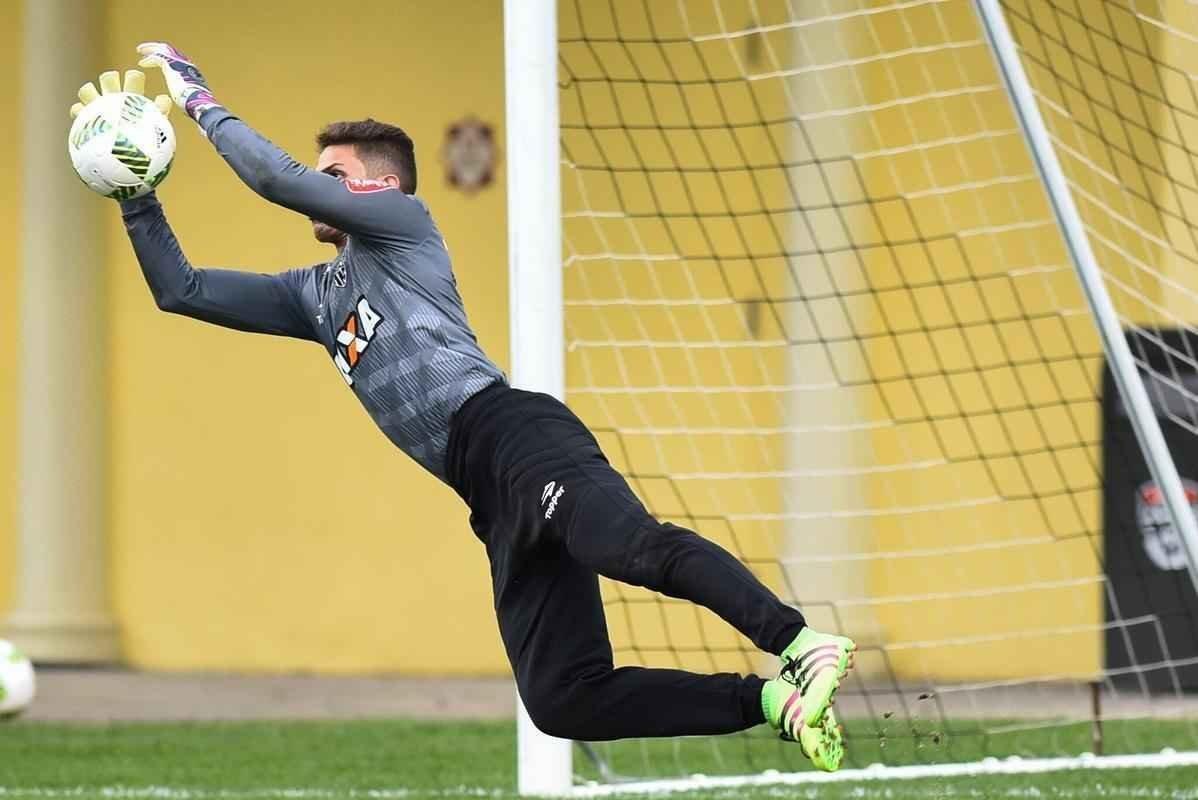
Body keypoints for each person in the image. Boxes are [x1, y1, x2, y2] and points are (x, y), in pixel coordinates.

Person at [71, 43, 857, 771]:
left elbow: (278, 181)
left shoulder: (404, 229)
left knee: (633, 550)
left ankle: (799, 641)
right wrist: (136, 195)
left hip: (517, 435)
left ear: (381, 188)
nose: (319, 185)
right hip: (486, 489)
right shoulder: (314, 295)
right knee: (562, 698)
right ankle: (768, 701)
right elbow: (184, 291)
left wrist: (200, 101)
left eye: (334, 175)